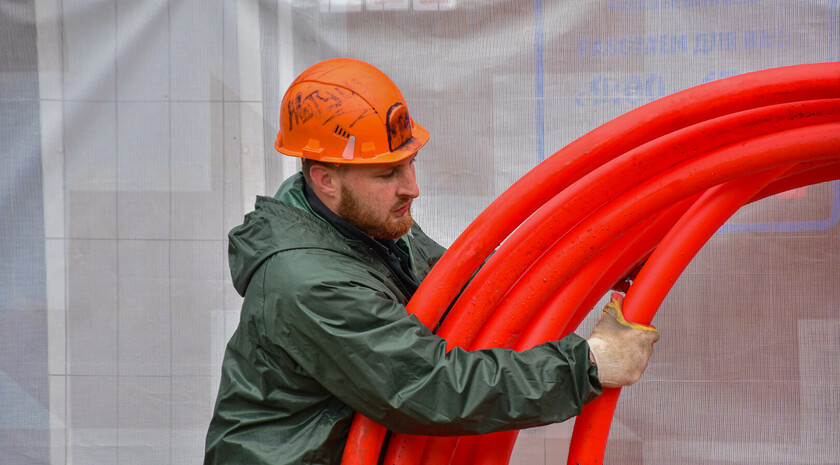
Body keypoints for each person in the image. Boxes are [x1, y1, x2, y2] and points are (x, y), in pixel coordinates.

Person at [204, 57, 659, 465]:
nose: (411, 188)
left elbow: (469, 290)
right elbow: (430, 385)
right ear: (325, 179)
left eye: (410, 163)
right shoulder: (309, 282)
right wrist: (587, 366)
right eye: (387, 173)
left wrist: (597, 265)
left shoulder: (367, 222)